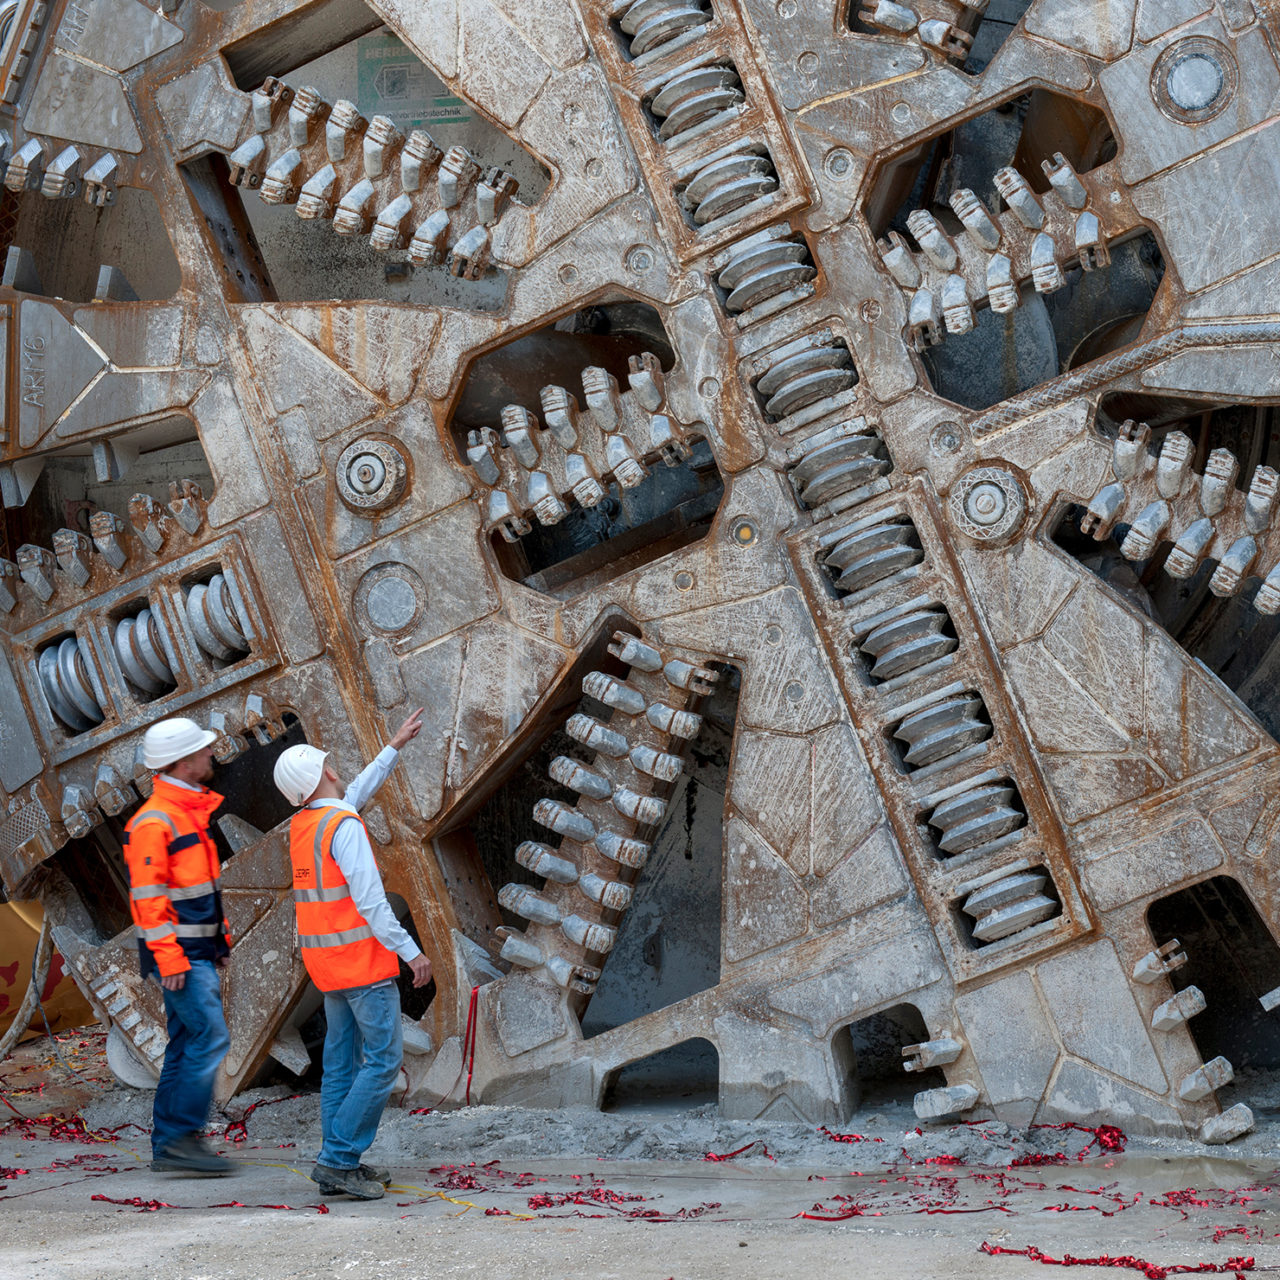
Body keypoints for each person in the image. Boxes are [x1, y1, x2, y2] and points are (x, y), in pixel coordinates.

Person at [273, 709, 432, 1201]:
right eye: (328, 764)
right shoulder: (343, 827)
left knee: (341, 1064)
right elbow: (371, 903)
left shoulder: (307, 824)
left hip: (328, 967)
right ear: (323, 774)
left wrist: (395, 745)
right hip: (362, 964)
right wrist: (411, 953)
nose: (336, 767)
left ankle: (339, 1159)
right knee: (383, 1061)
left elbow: (355, 794)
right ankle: (339, 1160)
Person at [123, 717, 233, 1176]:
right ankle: (180, 1139)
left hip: (195, 950)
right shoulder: (155, 821)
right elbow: (148, 901)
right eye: (203, 751)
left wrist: (220, 939)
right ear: (184, 762)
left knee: (188, 1041)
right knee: (210, 1037)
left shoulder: (185, 812)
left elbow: (202, 888)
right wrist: (169, 957)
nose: (212, 755)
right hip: (180, 956)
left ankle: (170, 1142)